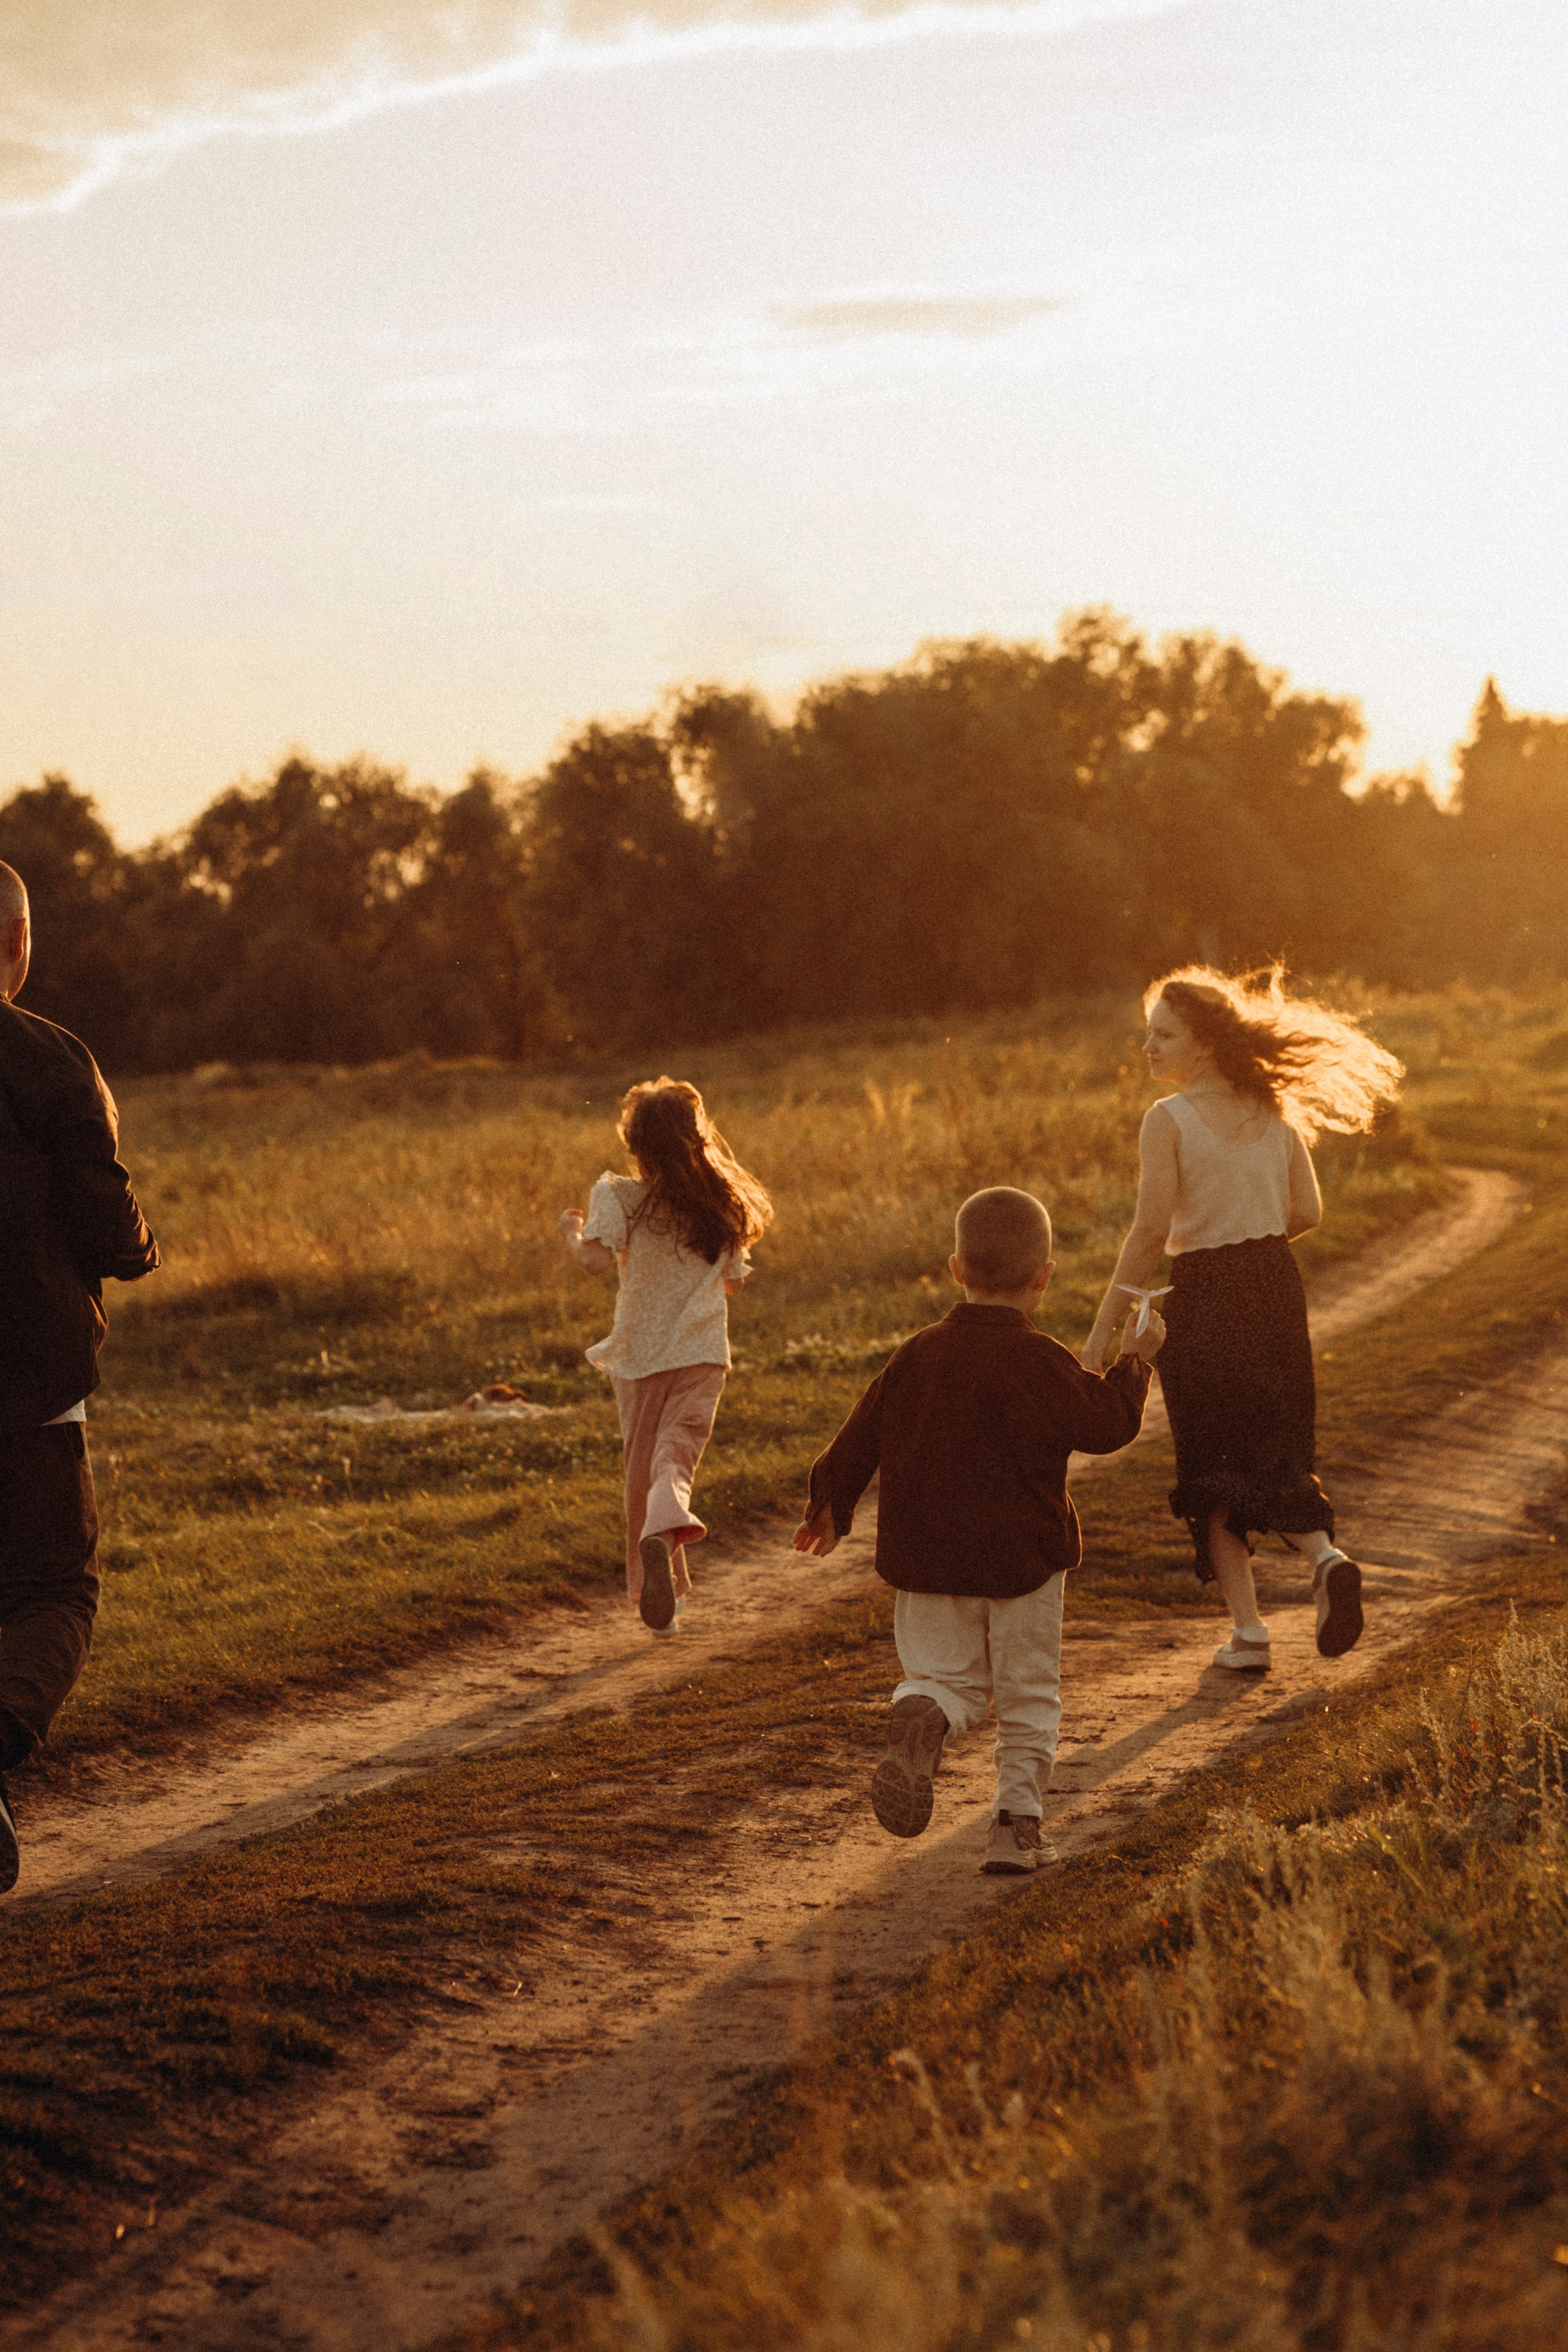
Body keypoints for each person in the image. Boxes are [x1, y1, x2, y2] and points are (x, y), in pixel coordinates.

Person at [793, 1186, 1162, 1875]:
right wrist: (1135, 1361)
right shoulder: (1042, 1360)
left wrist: (830, 1502)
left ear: (956, 1270)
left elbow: (862, 1432)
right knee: (1027, 1693)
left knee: (942, 1677)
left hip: (927, 1554)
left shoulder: (916, 1354)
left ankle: (925, 1711)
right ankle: (1015, 1828)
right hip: (1023, 1559)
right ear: (1044, 1277)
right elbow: (1107, 1425)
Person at [1080, 964, 1402, 1672]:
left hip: (1204, 1294)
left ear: (1203, 1043)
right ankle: (1325, 1559)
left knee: (1213, 1465)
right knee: (1274, 1451)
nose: (1148, 1046)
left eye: (1163, 1035)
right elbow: (1307, 1212)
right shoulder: (1273, 1109)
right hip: (1275, 1289)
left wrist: (1099, 1337)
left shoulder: (1166, 1119)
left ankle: (1250, 1633)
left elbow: (1148, 1232)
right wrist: (1251, 1246)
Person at [0, 862, 160, 1895]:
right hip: (29, 1383)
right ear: (17, 942)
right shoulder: (53, 1058)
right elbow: (109, 1226)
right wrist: (138, 1247)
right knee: (56, 1589)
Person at [559, 1077, 771, 1635]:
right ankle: (666, 1544)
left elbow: (594, 1263)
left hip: (638, 1357)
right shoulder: (721, 1204)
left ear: (635, 1145)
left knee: (642, 1472)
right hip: (701, 1354)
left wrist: (571, 1233)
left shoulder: (617, 1197)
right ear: (697, 1140)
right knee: (675, 1459)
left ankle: (661, 1607)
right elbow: (733, 1283)